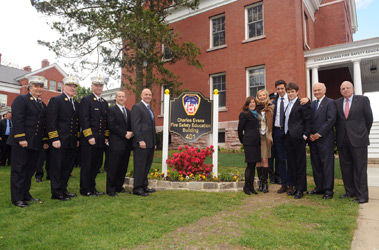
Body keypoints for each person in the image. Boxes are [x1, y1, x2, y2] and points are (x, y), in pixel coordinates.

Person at [8, 76, 49, 208]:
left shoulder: (42, 104)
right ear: (29, 87)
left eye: (41, 86)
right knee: (19, 170)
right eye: (36, 86)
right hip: (22, 142)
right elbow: (18, 120)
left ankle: (25, 194)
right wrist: (21, 138)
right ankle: (17, 198)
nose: (38, 89)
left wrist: (44, 140)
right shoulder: (22, 99)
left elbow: (42, 125)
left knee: (29, 170)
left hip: (34, 143)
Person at [335, 81, 373, 204]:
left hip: (359, 140)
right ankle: (350, 192)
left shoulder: (362, 100)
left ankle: (362, 195)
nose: (345, 90)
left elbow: (369, 119)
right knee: (346, 168)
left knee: (360, 169)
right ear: (340, 91)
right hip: (343, 140)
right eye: (343, 88)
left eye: (347, 88)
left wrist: (362, 134)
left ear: (353, 89)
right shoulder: (337, 103)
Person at [47, 76, 80, 201]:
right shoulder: (56, 100)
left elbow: (76, 124)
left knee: (67, 168)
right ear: (64, 86)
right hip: (59, 141)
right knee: (57, 167)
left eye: (74, 86)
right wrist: (54, 138)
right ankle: (56, 192)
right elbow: (51, 122)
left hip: (71, 142)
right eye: (70, 86)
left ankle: (63, 189)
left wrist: (77, 139)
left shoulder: (76, 104)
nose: (73, 88)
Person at [79, 76, 109, 196]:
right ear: (92, 86)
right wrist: (89, 136)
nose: (98, 87)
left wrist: (106, 136)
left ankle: (92, 187)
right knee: (87, 165)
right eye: (96, 85)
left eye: (100, 85)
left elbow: (106, 122)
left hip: (100, 140)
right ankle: (85, 189)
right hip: (89, 139)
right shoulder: (86, 100)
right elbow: (84, 119)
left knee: (96, 165)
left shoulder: (104, 102)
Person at [308, 83, 336, 199]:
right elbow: (309, 120)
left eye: (319, 90)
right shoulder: (313, 104)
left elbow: (331, 120)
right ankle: (319, 187)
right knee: (316, 165)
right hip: (313, 140)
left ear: (324, 90)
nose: (317, 92)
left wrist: (319, 134)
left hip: (325, 140)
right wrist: (309, 133)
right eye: (315, 90)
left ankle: (329, 190)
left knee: (327, 165)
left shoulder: (330, 102)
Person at [284, 82, 312, 199]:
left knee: (300, 164)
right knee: (291, 163)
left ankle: (301, 189)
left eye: (292, 92)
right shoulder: (288, 105)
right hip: (288, 137)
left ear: (297, 92)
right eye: (289, 92)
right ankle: (295, 186)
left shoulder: (302, 103)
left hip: (299, 137)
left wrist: (305, 135)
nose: (290, 94)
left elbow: (308, 120)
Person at [106, 91, 133, 196]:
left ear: (125, 98)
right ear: (115, 98)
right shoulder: (111, 110)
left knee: (123, 167)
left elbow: (131, 126)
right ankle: (111, 189)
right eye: (119, 96)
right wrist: (124, 133)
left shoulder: (128, 112)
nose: (121, 98)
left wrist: (132, 133)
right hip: (116, 143)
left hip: (126, 144)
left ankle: (119, 186)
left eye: (123, 97)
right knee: (113, 167)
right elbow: (111, 125)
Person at [131, 88, 156, 197]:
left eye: (150, 94)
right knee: (140, 166)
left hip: (150, 143)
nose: (148, 96)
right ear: (141, 95)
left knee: (146, 166)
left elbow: (151, 127)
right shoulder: (137, 107)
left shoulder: (150, 109)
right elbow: (135, 126)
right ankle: (137, 188)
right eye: (146, 94)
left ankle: (144, 186)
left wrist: (154, 143)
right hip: (141, 143)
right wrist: (140, 140)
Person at [238, 96, 261, 195]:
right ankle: (246, 187)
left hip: (256, 142)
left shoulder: (256, 114)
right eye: (250, 103)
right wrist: (243, 141)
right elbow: (240, 130)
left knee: (253, 165)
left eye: (254, 102)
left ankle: (251, 187)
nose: (252, 104)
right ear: (247, 104)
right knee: (249, 165)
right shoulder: (244, 114)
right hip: (249, 143)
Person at [255, 89, 274, 193]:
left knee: (265, 160)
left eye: (263, 95)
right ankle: (260, 183)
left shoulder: (271, 107)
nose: (261, 97)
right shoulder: (255, 109)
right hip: (257, 137)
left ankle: (265, 183)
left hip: (266, 136)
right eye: (259, 95)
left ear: (266, 96)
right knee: (258, 160)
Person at [268, 92, 280, 184]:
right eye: (272, 99)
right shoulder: (268, 108)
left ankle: (278, 176)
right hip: (269, 134)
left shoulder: (280, 107)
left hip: (278, 133)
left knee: (279, 156)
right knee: (270, 157)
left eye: (275, 99)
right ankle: (271, 176)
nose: (274, 101)